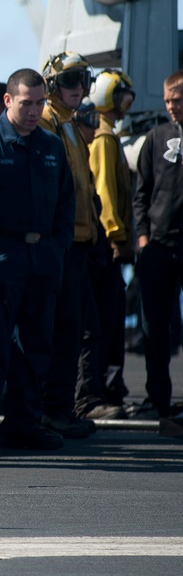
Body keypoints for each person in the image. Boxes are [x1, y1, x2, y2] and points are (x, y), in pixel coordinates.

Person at [0, 69, 74, 451]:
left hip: (42, 262)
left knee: (35, 348)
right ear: (7, 101)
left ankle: (22, 425)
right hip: (0, 262)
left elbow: (66, 203)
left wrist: (57, 248)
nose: (35, 110)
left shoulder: (52, 146)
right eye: (27, 103)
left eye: (40, 103)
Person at [38, 51, 101, 438]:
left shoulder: (70, 125)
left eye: (81, 80)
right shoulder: (48, 122)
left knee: (74, 329)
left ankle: (62, 408)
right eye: (70, 81)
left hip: (78, 243)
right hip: (61, 245)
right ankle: (53, 411)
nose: (78, 88)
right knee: (61, 331)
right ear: (52, 86)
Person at [83, 70, 137, 417]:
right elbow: (105, 194)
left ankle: (111, 391)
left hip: (107, 242)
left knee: (111, 320)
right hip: (106, 244)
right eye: (120, 97)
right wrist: (117, 237)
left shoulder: (108, 137)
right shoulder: (103, 140)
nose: (123, 105)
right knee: (105, 320)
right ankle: (100, 394)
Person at [132, 69, 183, 420]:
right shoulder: (155, 137)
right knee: (155, 327)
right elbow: (142, 193)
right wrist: (143, 239)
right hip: (159, 248)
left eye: (177, 100)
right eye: (167, 101)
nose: (171, 107)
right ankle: (158, 399)